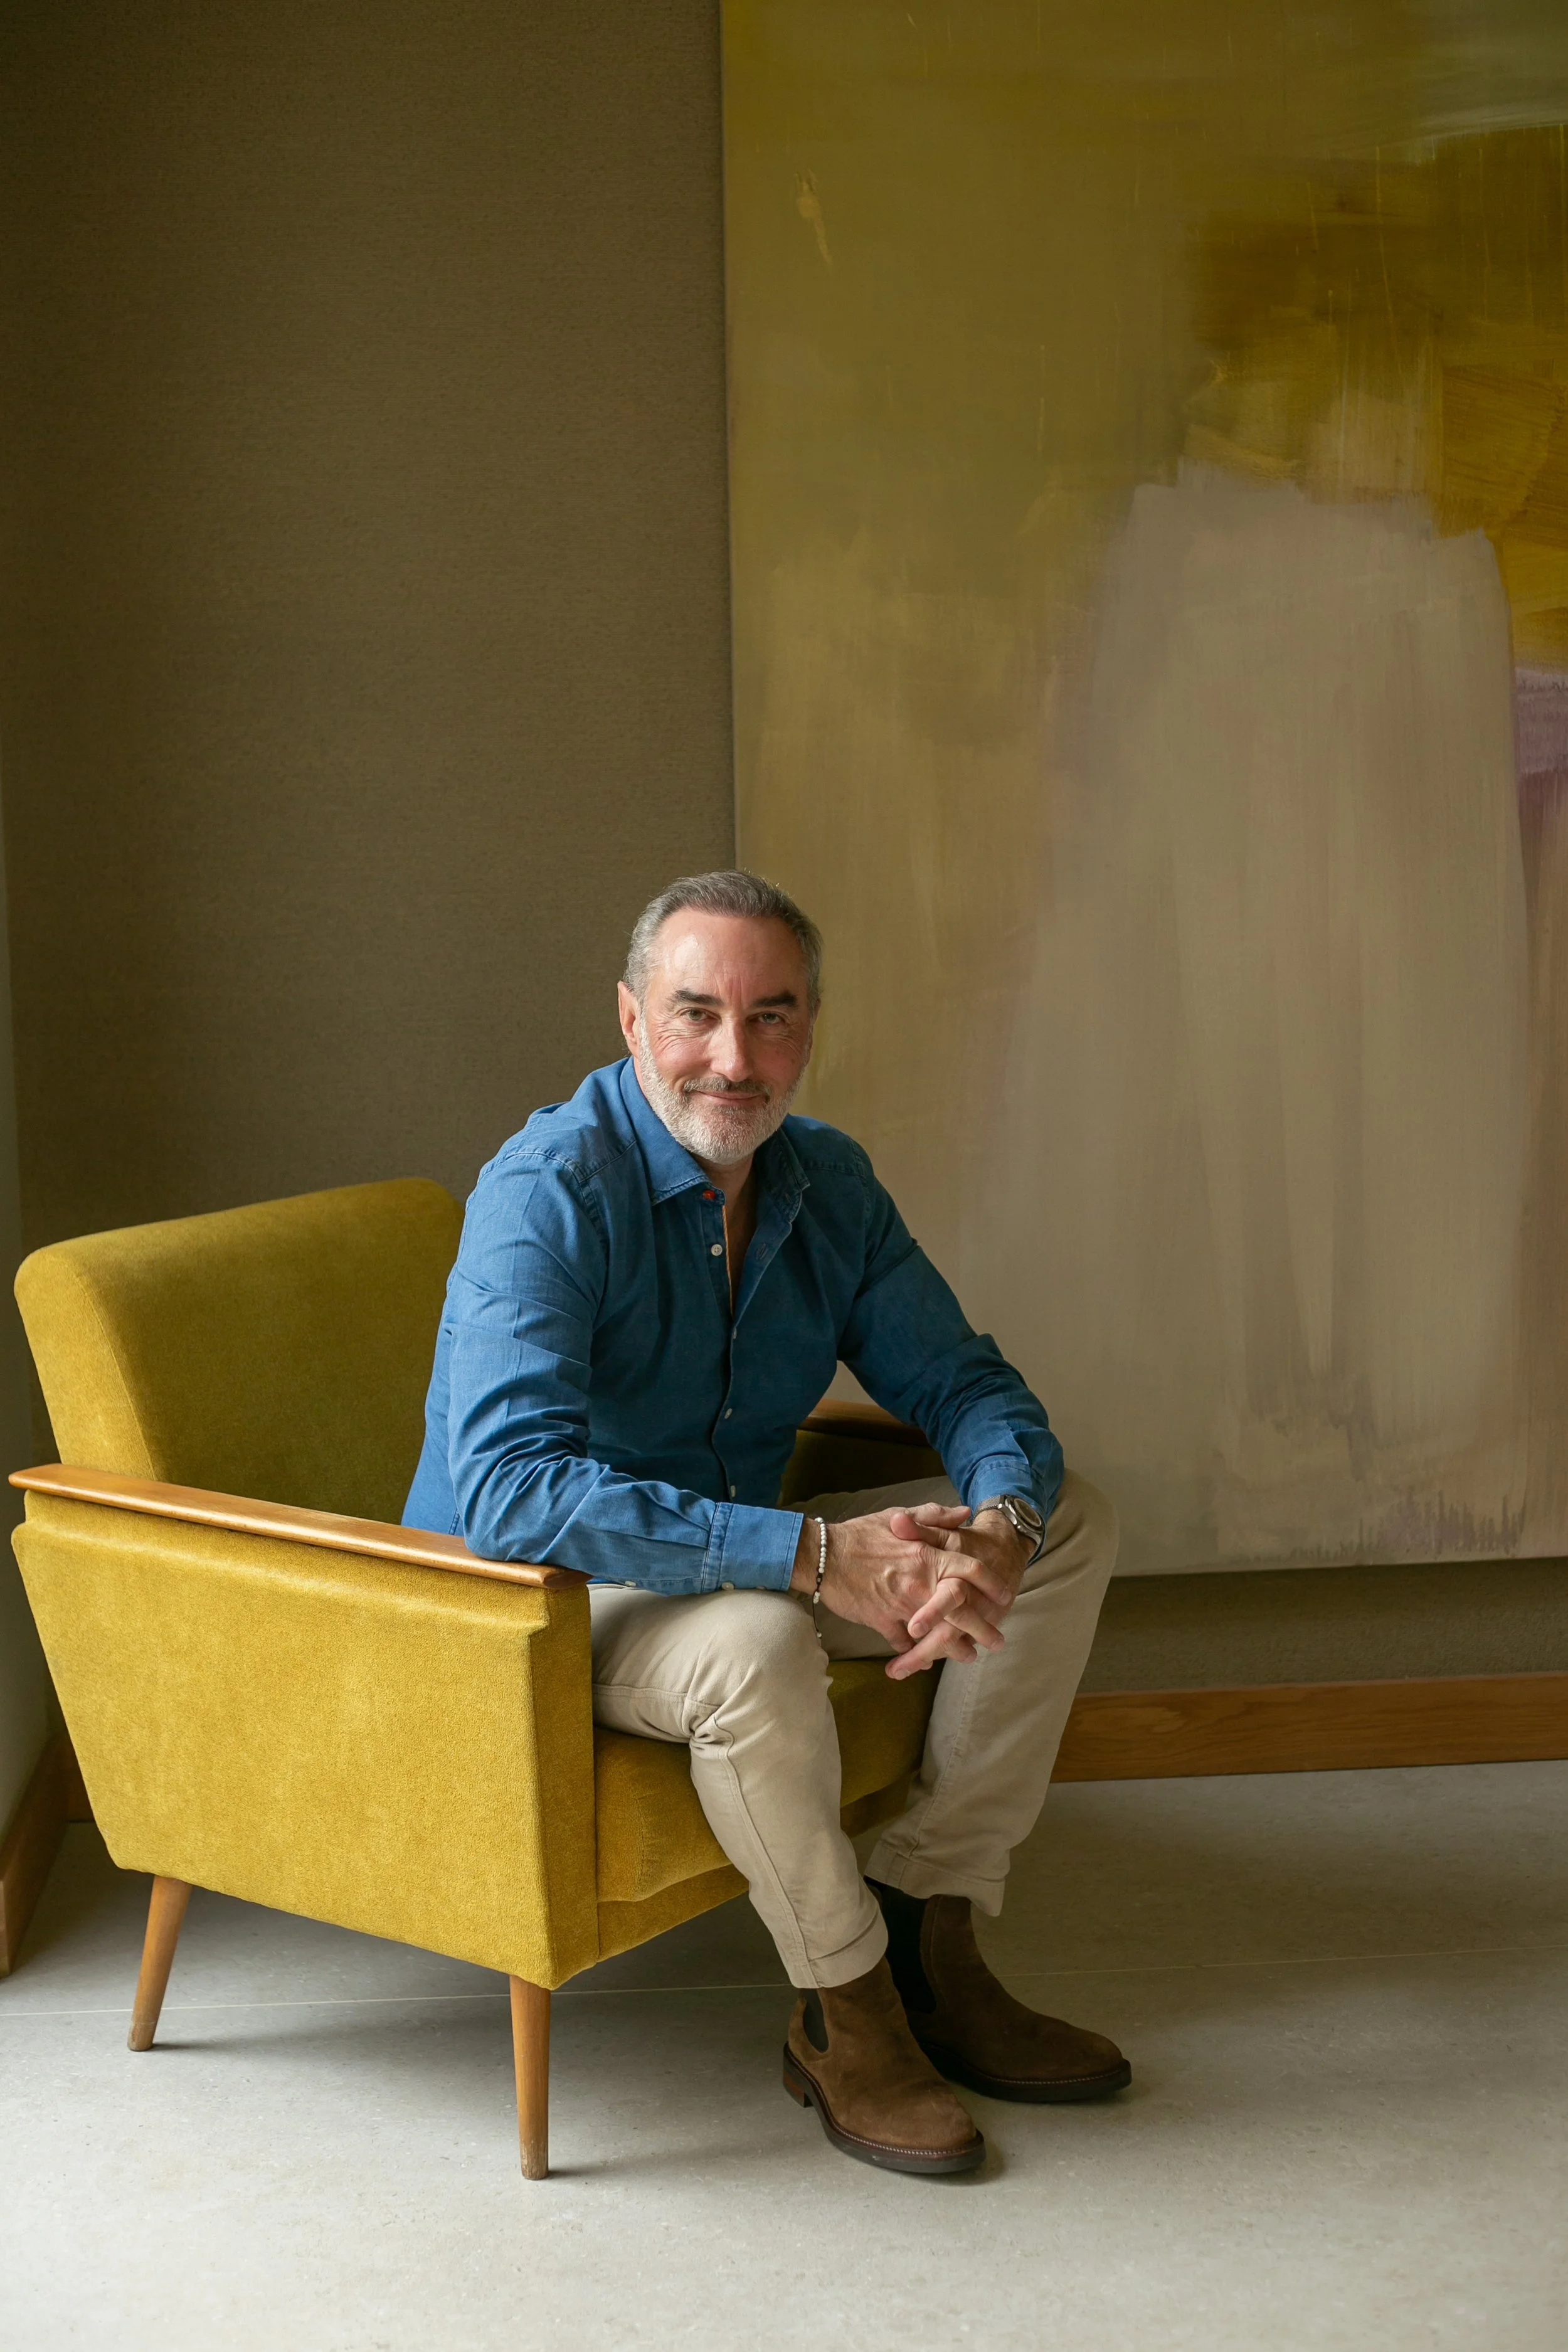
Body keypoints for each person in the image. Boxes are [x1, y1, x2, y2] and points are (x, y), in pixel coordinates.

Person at [405, 869, 1127, 2175]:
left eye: (771, 1018)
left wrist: (998, 1526)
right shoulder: (544, 1191)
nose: (733, 1060)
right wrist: (809, 1556)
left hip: (730, 1547)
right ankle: (846, 2012)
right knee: (755, 1645)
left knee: (1068, 1515)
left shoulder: (823, 1185)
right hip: (537, 1596)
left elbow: (963, 1384)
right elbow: (512, 1492)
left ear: (809, 1028)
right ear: (630, 1022)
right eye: (696, 1016)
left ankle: (930, 1929)